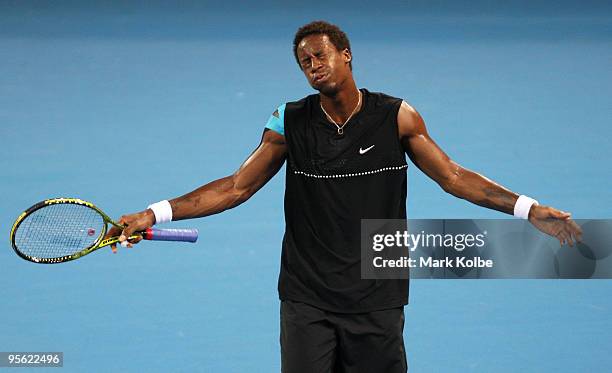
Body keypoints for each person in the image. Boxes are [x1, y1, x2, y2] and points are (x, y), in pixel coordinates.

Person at [107, 20, 582, 373]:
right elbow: (236, 187)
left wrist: (526, 208)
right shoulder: (288, 121)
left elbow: (454, 177)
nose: (314, 67)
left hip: (377, 295)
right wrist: (154, 213)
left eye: (321, 55)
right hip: (306, 298)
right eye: (305, 62)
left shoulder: (398, 116)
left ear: (347, 55)